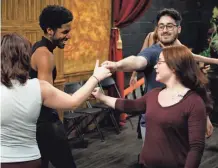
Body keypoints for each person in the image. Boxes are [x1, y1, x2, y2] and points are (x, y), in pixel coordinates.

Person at [102, 8, 216, 140]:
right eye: (161, 27)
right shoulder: (153, 52)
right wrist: (117, 65)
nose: (165, 30)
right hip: (154, 123)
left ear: (179, 29)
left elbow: (196, 85)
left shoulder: (183, 53)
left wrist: (205, 116)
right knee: (154, 159)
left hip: (182, 122)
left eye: (169, 26)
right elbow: (138, 61)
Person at [1, 33, 111, 168]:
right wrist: (95, 77)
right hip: (31, 160)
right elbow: (74, 101)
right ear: (26, 58)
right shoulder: (39, 87)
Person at [93, 45, 212, 168]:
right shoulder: (154, 94)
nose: (155, 66)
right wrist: (102, 97)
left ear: (173, 67)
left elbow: (196, 148)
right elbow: (130, 106)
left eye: (159, 62)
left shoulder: (194, 102)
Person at [29, 5, 75, 168]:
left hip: (38, 123)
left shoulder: (39, 48)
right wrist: (75, 99)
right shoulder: (45, 55)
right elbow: (46, 98)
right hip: (45, 124)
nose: (68, 36)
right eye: (64, 32)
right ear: (49, 30)